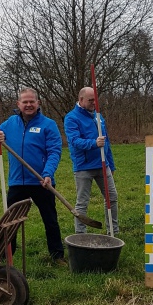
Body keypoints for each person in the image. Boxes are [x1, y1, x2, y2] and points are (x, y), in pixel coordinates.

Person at [0, 88, 65, 264]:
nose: (28, 105)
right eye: (24, 102)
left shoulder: (48, 125)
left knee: (50, 220)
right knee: (10, 221)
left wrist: (48, 174)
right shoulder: (11, 123)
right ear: (18, 104)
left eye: (31, 101)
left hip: (42, 181)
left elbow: (54, 152)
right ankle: (7, 253)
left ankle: (57, 255)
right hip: (17, 181)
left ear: (38, 103)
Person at [63, 86, 119, 235]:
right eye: (90, 100)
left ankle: (113, 230)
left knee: (112, 198)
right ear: (81, 100)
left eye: (95, 99)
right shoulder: (71, 118)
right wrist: (94, 143)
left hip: (103, 165)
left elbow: (107, 143)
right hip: (83, 167)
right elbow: (74, 141)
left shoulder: (99, 116)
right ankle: (80, 234)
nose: (94, 103)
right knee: (82, 203)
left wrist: (110, 164)